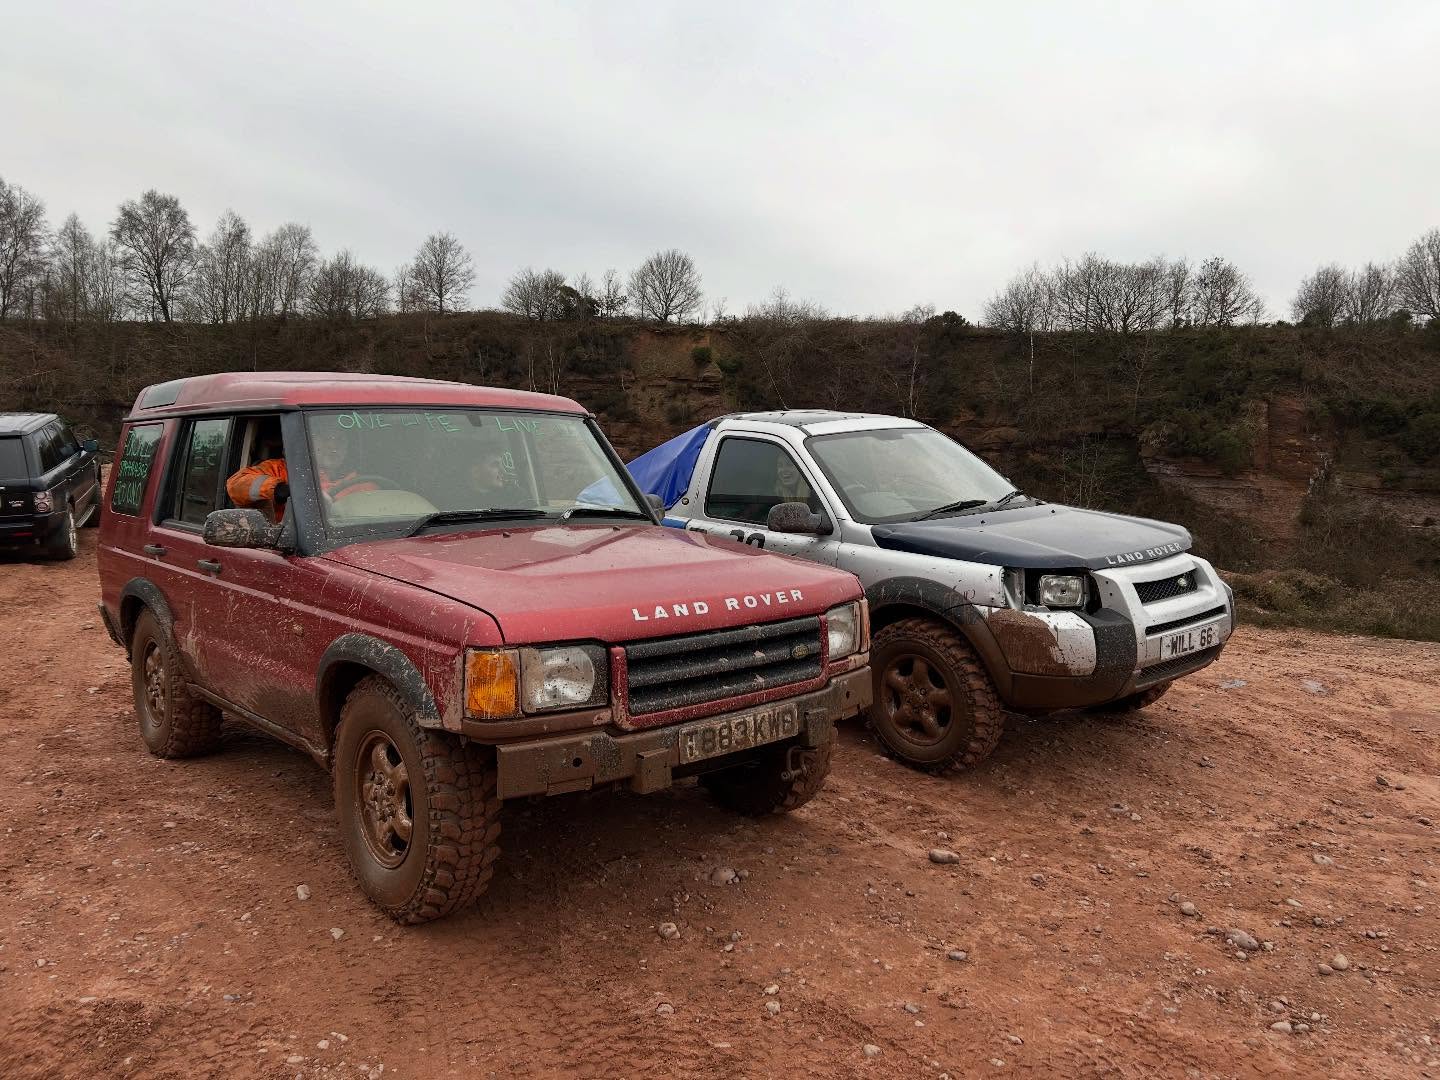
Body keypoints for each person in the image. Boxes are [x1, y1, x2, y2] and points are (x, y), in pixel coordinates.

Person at [226, 424, 377, 521]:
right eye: (325, 439)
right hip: (288, 550)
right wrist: (279, 489)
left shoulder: (362, 483)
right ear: (308, 441)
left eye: (340, 440)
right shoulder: (281, 469)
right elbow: (235, 484)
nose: (333, 447)